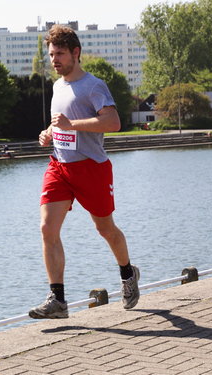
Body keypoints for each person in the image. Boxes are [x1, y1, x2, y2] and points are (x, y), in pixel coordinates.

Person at [28, 25, 140, 319]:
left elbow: (113, 122)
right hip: (60, 166)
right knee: (46, 228)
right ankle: (58, 300)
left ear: (75, 53)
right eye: (51, 55)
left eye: (60, 54)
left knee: (105, 229)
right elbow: (61, 122)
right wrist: (48, 132)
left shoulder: (94, 86)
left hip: (91, 169)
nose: (54, 60)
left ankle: (128, 274)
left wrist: (69, 126)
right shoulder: (57, 87)